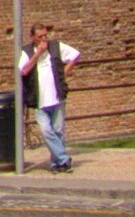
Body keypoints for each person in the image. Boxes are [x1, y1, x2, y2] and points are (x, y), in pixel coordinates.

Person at [19, 23, 81, 172]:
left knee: (58, 131)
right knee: (46, 131)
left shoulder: (55, 47)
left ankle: (57, 164)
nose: (44, 39)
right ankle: (64, 158)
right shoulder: (27, 52)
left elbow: (75, 55)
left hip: (57, 98)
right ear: (32, 37)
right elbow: (23, 71)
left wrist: (63, 73)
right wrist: (37, 54)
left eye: (45, 36)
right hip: (40, 100)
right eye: (40, 37)